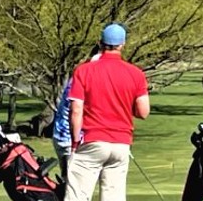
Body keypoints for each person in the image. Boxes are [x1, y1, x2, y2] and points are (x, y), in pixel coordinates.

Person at [65, 24, 150, 201]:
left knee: (77, 195)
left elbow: (76, 110)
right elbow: (143, 112)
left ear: (100, 43)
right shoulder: (136, 73)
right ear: (122, 44)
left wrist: (74, 141)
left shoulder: (84, 70)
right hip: (121, 143)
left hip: (93, 139)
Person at [54, 52, 101, 180]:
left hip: (62, 137)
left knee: (69, 181)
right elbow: (76, 111)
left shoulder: (79, 78)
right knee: (74, 184)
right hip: (69, 139)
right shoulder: (80, 82)